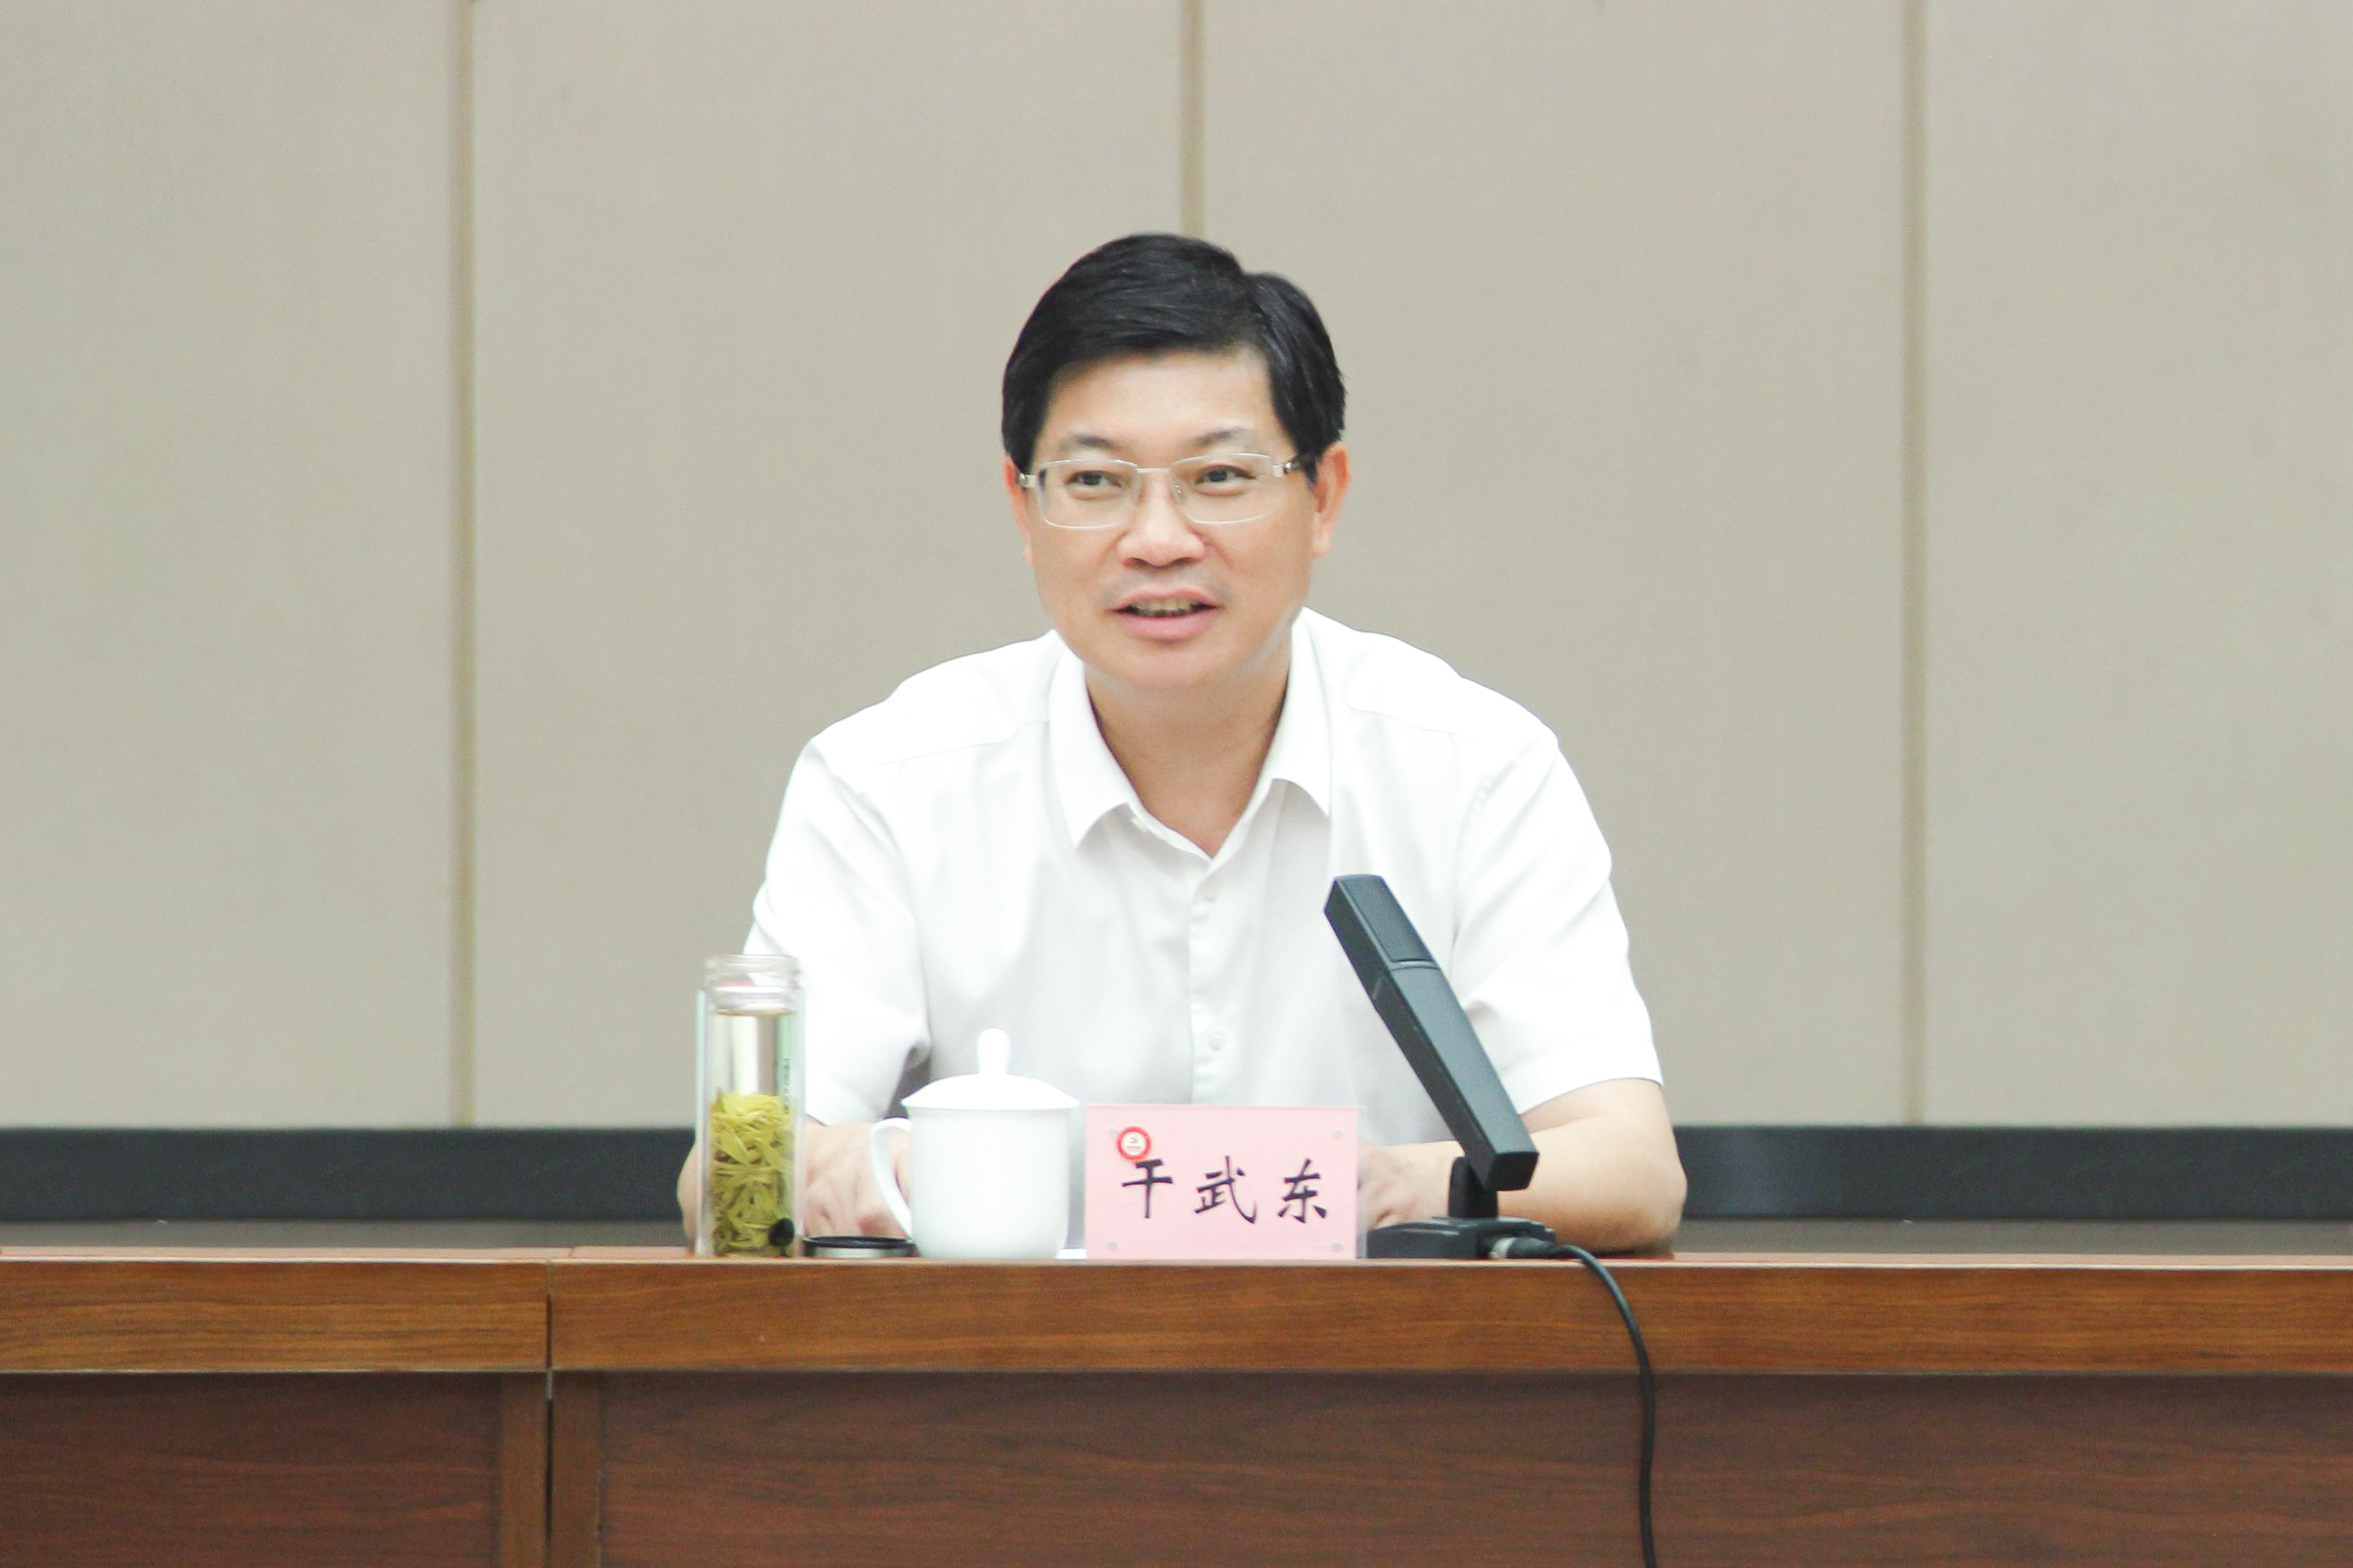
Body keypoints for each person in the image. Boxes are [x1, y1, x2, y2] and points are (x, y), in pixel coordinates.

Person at [711, 234, 1684, 1252]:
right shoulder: (887, 781)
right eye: (1095, 481)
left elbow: (1630, 1166)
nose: (1158, 539)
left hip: (1375, 1351)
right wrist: (934, 1167)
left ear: (1324, 498)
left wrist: (1398, 1185)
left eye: (1219, 476)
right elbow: (734, 1176)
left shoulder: (1474, 769)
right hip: (1005, 1351)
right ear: (1023, 508)